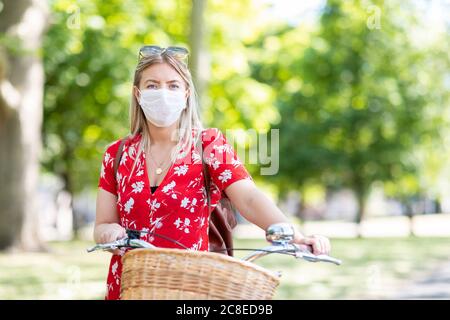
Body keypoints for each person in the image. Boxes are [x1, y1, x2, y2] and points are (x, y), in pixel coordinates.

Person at [94, 45, 331, 300]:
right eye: (152, 85)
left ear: (186, 94)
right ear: (138, 94)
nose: (163, 93)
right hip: (128, 288)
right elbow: (102, 225)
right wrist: (108, 233)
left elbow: (249, 198)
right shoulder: (117, 155)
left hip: (192, 290)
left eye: (173, 85)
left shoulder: (208, 144)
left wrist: (295, 235)